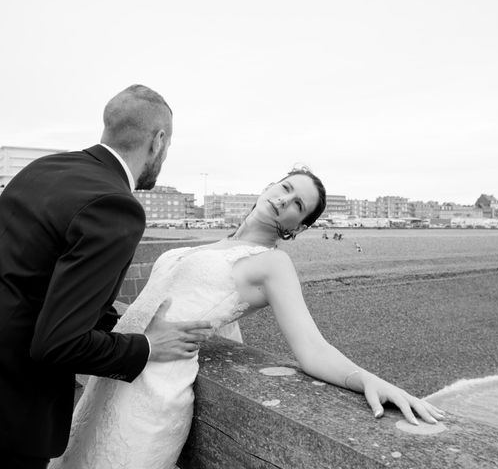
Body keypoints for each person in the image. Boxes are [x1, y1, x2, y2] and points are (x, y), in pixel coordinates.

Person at [50, 166, 444, 469]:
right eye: (286, 188)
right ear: (270, 186)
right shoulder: (216, 246)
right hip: (115, 377)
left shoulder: (271, 263)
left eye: (298, 206)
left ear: (298, 227)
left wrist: (368, 379)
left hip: (152, 396)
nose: (285, 201)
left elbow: (311, 348)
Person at [0, 85, 212, 469]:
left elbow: (30, 275)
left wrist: (119, 319)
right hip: (13, 414)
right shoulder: (115, 206)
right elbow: (57, 344)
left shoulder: (41, 169)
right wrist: (146, 346)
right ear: (159, 141)